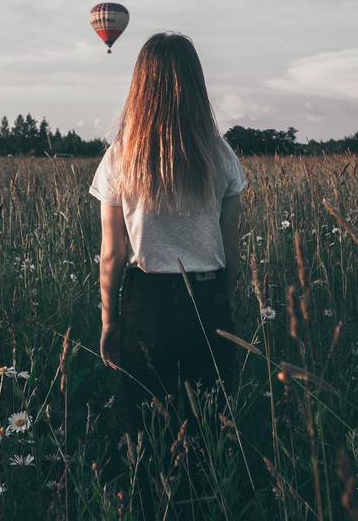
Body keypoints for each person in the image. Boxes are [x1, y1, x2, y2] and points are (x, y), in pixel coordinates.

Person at [89, 32, 248, 440]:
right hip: (208, 300)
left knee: (148, 438)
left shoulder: (121, 155)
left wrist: (109, 322)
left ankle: (152, 505)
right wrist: (224, 303)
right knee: (208, 437)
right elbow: (231, 248)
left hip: (146, 305)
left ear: (140, 84)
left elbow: (112, 254)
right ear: (196, 83)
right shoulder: (221, 153)